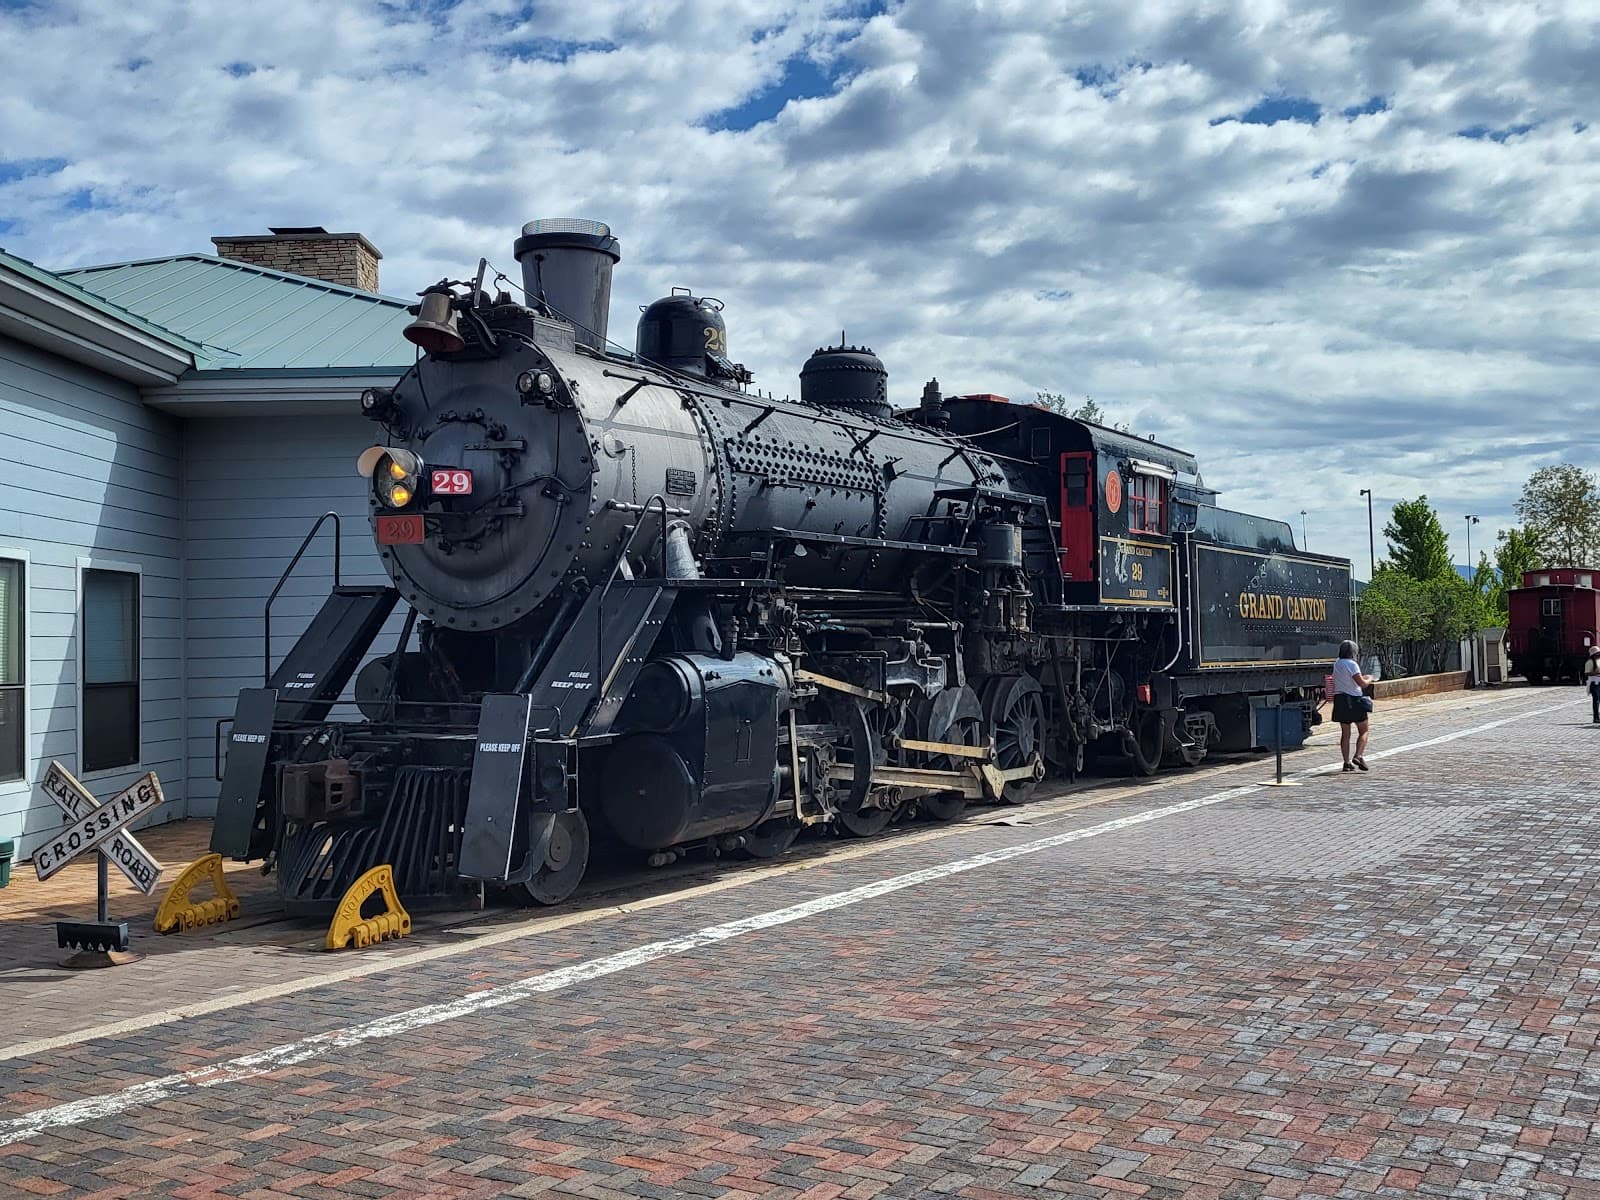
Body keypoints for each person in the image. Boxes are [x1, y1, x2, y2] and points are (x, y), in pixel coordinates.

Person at [1331, 639, 1376, 772]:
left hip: (1340, 700)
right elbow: (1361, 683)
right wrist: (1369, 678)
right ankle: (1359, 755)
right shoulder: (1352, 664)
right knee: (1364, 730)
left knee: (1345, 733)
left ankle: (1346, 762)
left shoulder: (1337, 664)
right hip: (1354, 700)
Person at [1585, 641, 1600, 723]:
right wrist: (1596, 673)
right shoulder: (1589, 662)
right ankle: (1596, 717)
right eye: (1597, 653)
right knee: (1596, 700)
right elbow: (1587, 673)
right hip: (1594, 683)